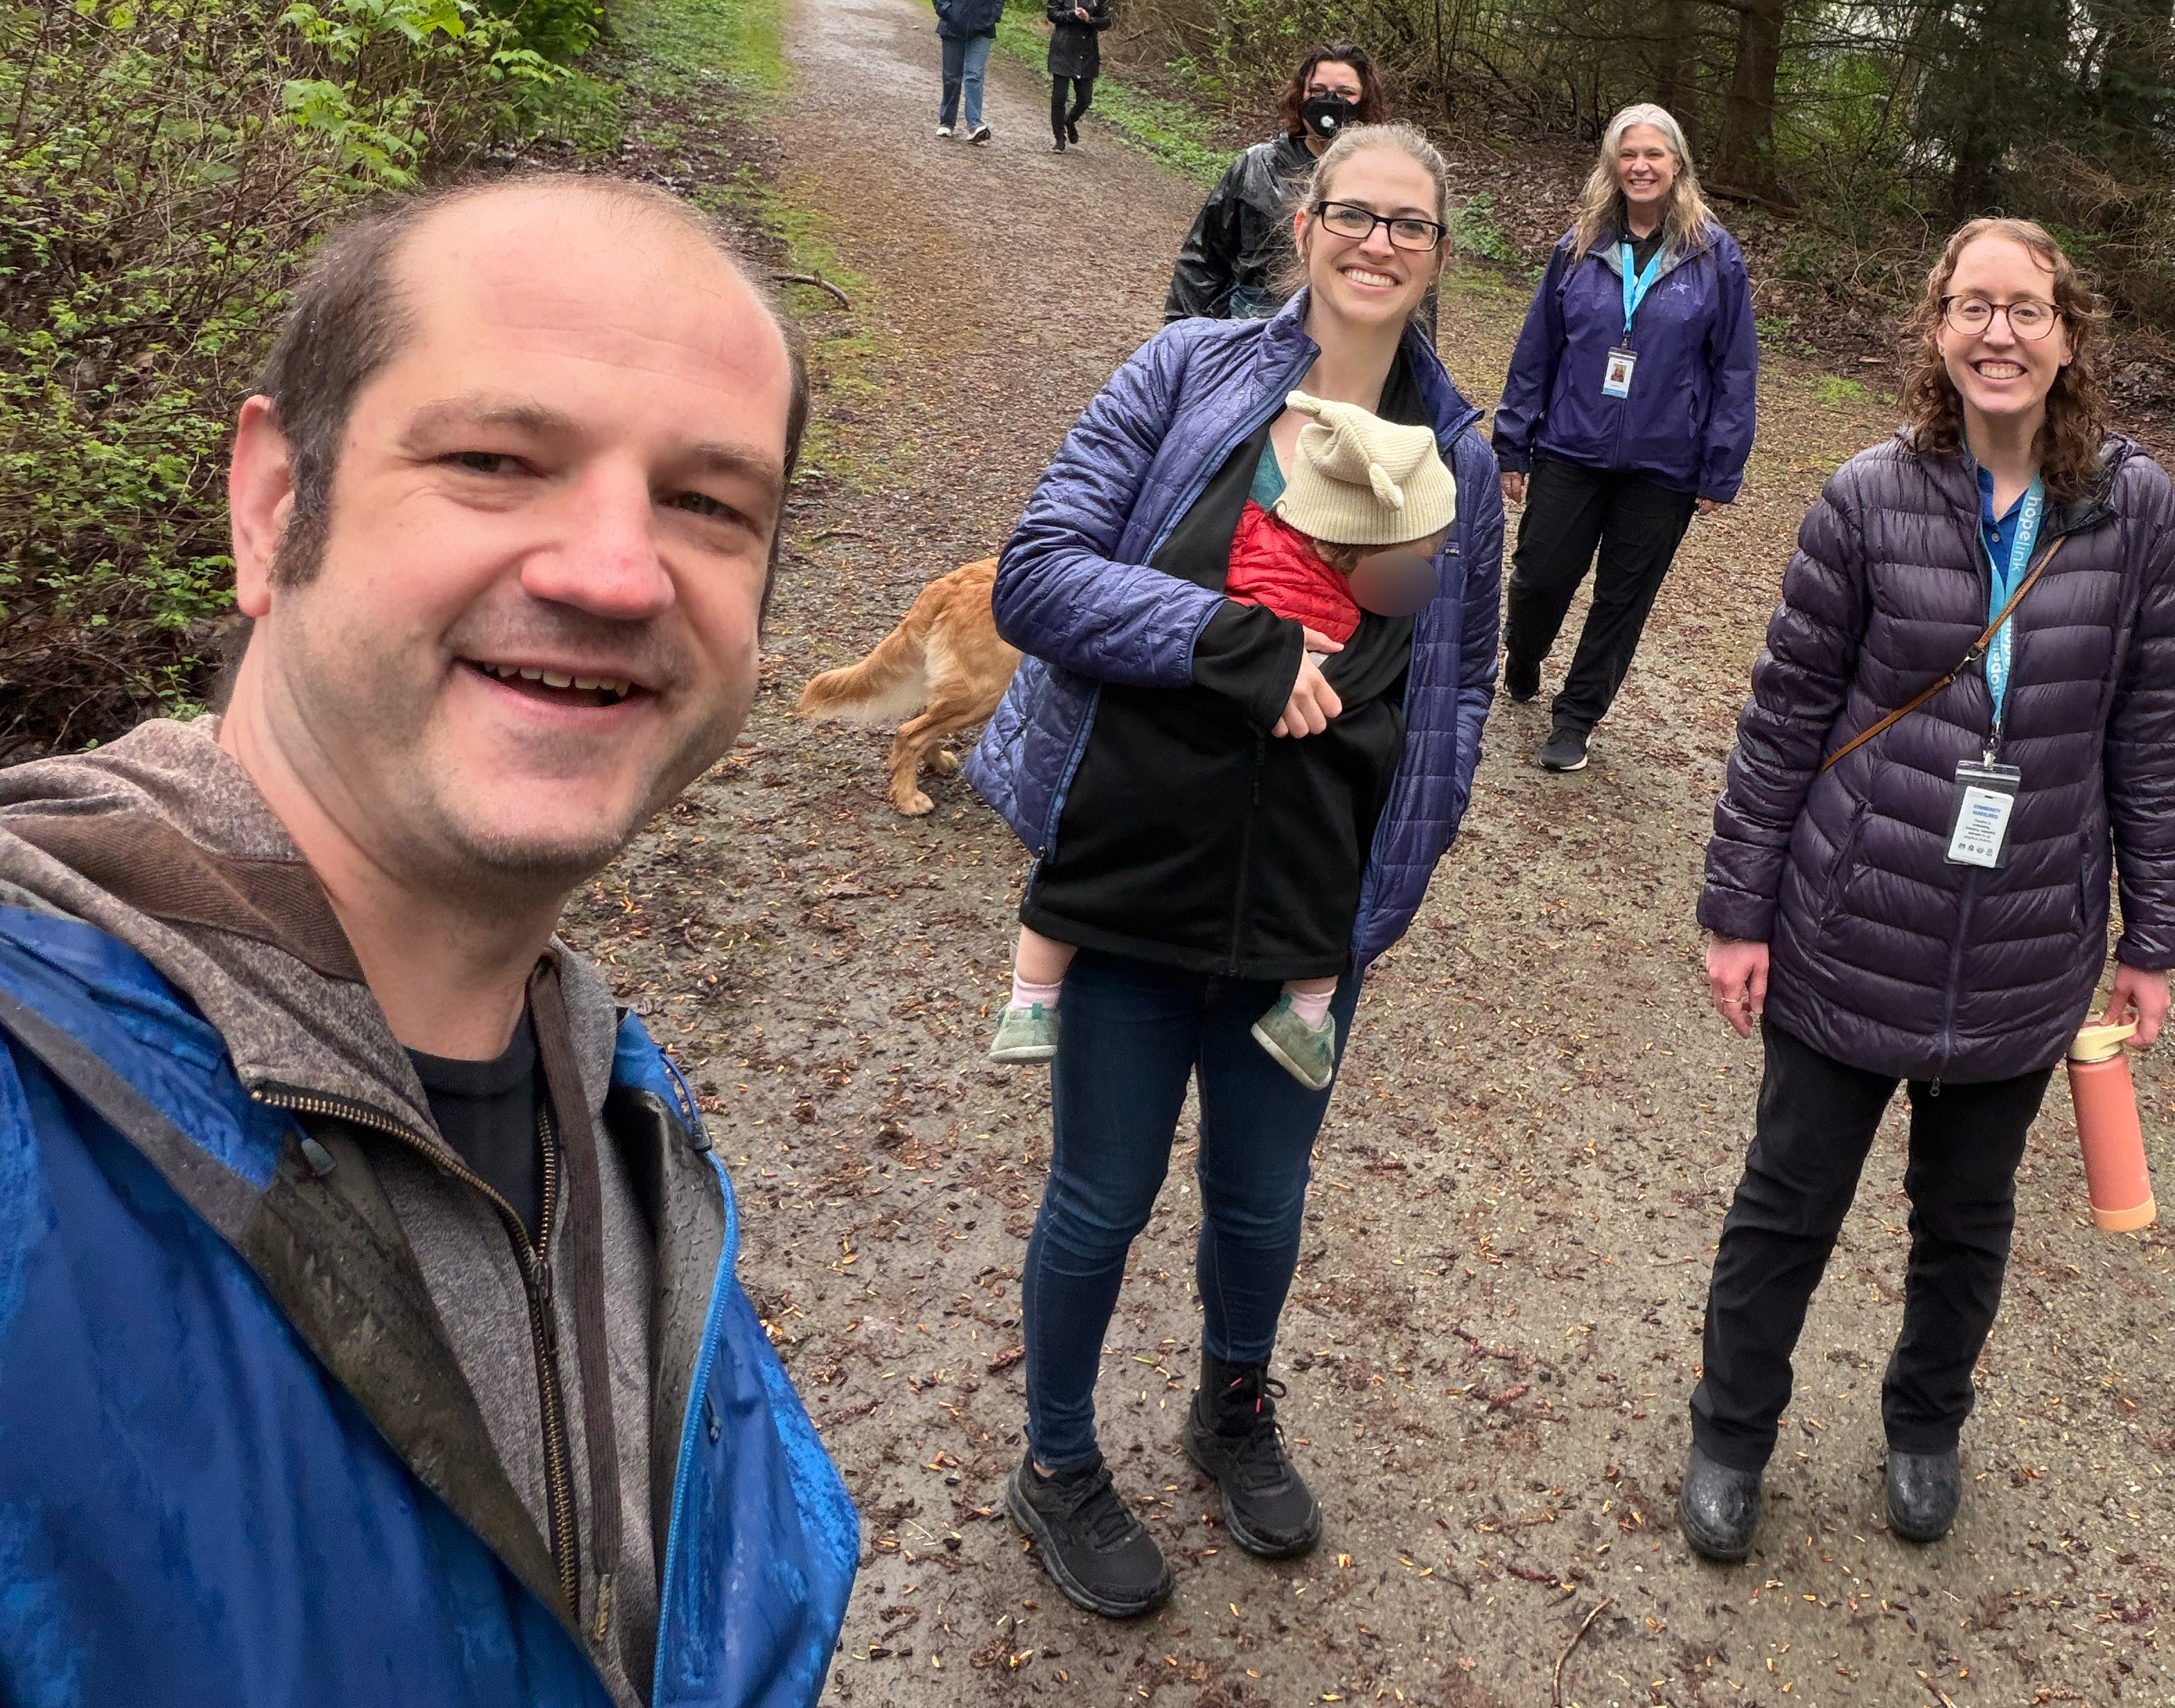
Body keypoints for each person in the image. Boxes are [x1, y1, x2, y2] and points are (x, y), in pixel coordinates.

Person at [0, 175, 859, 1707]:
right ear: (273, 507)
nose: (613, 571)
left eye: (709, 503)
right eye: (491, 461)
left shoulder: (626, 1125)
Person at [969, 121, 1506, 1623]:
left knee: (1263, 1202)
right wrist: (1222, 639)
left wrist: (1388, 889)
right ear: (1306, 222)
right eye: (1355, 213)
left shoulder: (1459, 453)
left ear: (1440, 253)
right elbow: (1038, 572)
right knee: (1102, 1194)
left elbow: (1457, 692)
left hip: (1308, 906)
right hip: (1137, 870)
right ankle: (1059, 1461)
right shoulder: (1186, 373)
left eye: (1411, 222)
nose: (1379, 241)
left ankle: (1231, 1409)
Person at [1682, 216, 2175, 1562]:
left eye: (2026, 308)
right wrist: (1739, 910)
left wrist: (2156, 936)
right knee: (1787, 1208)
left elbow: (2153, 728)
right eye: (1973, 306)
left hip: (2029, 945)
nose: (1999, 333)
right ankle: (1731, 1435)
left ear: (2067, 332)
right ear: (1937, 331)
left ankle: (1926, 1426)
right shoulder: (1868, 496)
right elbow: (1786, 710)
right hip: (1853, 923)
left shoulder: (2135, 511)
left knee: (1965, 1226)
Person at [987, 390, 1456, 1091]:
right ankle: (1034, 996)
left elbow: (1456, 676)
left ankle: (1034, 997)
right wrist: (1231, 645)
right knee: (1081, 872)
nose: (1425, 571)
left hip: (1279, 848)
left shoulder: (1435, 470)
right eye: (1418, 556)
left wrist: (1419, 789)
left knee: (1088, 881)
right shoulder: (1194, 393)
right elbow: (1040, 582)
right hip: (1161, 827)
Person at [1492, 101, 1759, 773]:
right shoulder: (1579, 244)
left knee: (1622, 599)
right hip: (1571, 445)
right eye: (1629, 154)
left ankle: (1576, 717)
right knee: (1539, 576)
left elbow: (1735, 366)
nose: (1641, 166)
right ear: (1613, 165)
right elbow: (1537, 350)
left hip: (1664, 463)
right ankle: (1523, 655)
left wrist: (1720, 466)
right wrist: (1513, 441)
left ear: (1677, 166)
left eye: (1655, 155)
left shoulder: (1714, 255)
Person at [1165, 42, 1389, 320]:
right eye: (1318, 91)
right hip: (1254, 328)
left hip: (1347, 329)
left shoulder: (1384, 178)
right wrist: (1181, 335)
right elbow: (1203, 261)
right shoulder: (1256, 167)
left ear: (1365, 101)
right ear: (1300, 97)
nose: (1330, 102)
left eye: (1345, 93)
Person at [931, 0, 1007, 141]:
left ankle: (975, 125)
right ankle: (947, 121)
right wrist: (946, 10)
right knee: (952, 76)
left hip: (982, 29)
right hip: (953, 26)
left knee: (974, 74)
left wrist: (993, 16)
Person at [1045, 0, 1112, 152]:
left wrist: (1088, 19)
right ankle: (1059, 139)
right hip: (1063, 48)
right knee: (1059, 97)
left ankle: (1070, 120)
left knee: (1085, 98)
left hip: (1087, 50)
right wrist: (1071, 15)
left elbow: (1106, 21)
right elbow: (1052, 14)